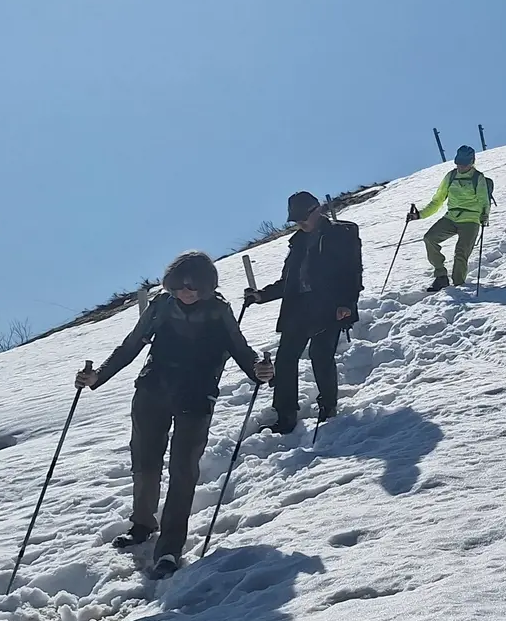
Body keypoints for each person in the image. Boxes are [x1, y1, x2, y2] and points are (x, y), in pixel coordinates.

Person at [78, 250, 272, 577]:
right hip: (153, 390)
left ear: (207, 287)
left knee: (183, 470)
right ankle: (142, 525)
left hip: (196, 396)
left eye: (194, 287)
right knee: (145, 461)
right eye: (180, 286)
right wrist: (99, 375)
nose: (186, 292)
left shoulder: (218, 311)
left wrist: (260, 371)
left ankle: (169, 548)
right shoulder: (161, 306)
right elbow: (131, 345)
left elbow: (241, 350)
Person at [245, 191, 363, 435]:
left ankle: (328, 406)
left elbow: (352, 272)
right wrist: (261, 295)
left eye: (303, 217)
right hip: (298, 307)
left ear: (316, 209)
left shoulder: (342, 234)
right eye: (296, 219)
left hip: (330, 305)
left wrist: (347, 303)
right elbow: (288, 281)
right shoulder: (297, 242)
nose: (300, 222)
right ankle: (285, 415)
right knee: (286, 360)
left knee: (321, 355)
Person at [410, 146, 493, 292]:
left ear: (472, 162)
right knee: (430, 238)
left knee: (461, 252)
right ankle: (441, 276)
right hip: (451, 217)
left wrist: (484, 216)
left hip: (471, 219)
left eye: (464, 163)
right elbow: (437, 200)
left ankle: (458, 285)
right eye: (458, 163)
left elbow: (483, 200)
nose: (460, 166)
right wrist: (419, 215)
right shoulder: (451, 176)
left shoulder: (478, 178)